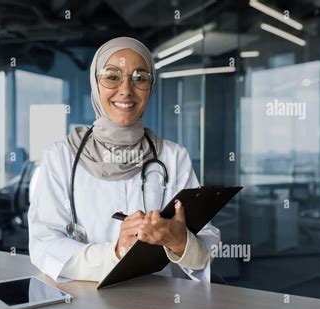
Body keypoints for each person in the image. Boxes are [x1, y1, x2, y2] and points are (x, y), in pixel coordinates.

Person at [28, 37, 220, 283]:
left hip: (156, 303)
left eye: (140, 78)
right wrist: (115, 252)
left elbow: (208, 244)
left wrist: (181, 243)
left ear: (151, 87)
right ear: (95, 84)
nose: (126, 90)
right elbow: (43, 244)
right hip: (84, 302)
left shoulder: (173, 157)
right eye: (112, 76)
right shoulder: (61, 156)